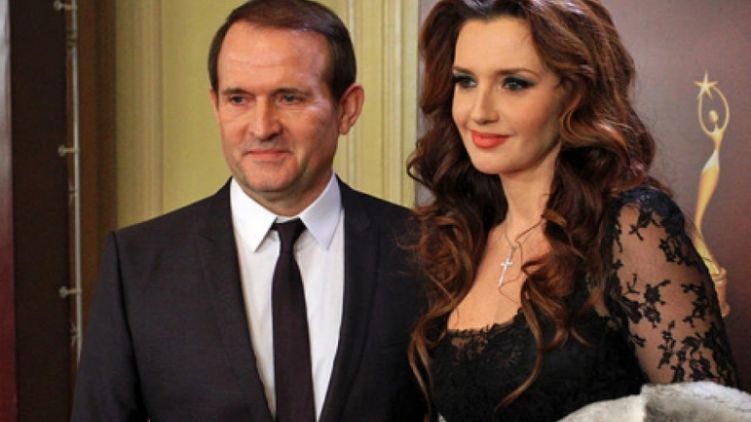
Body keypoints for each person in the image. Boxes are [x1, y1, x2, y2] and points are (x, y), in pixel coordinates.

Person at [71, 1, 424, 421]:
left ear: (347, 108)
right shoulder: (138, 264)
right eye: (238, 98)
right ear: (216, 105)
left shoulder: (424, 249)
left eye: (289, 97)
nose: (262, 127)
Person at [407, 1, 739, 421]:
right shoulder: (461, 237)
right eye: (466, 81)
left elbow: (712, 416)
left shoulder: (631, 228)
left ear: (574, 93)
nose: (479, 112)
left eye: (514, 83)